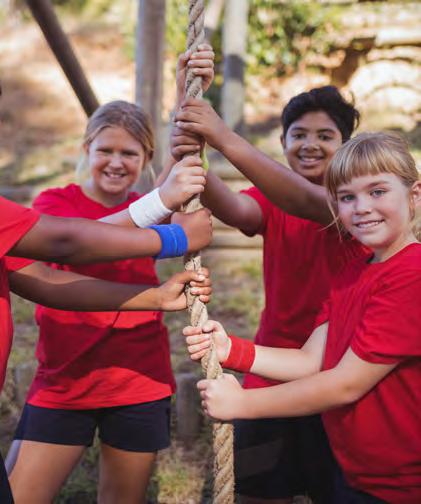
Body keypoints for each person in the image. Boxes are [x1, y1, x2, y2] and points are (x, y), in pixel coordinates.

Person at [0, 40, 212, 504]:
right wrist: (174, 238)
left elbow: (48, 280)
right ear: (86, 149)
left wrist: (156, 297)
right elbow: (67, 242)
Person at [5, 46, 215, 504]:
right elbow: (79, 243)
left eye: (130, 153)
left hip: (136, 376)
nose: (116, 162)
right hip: (66, 378)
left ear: (146, 158)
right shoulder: (56, 205)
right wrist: (158, 205)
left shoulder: (150, 204)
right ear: (87, 150)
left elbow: (181, 159)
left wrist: (183, 92)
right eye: (105, 150)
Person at [185, 132, 421, 504]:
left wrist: (244, 404)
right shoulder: (354, 271)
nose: (362, 207)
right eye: (347, 197)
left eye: (377, 191)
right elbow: (311, 361)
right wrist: (231, 350)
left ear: (414, 195)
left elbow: (346, 384)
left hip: (399, 482)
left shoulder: (412, 275)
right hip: (356, 468)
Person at [172, 86, 364, 502]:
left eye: (325, 136)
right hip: (271, 364)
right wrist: (191, 156)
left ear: (345, 146)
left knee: (335, 489)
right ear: (282, 141)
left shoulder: (354, 207)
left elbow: (306, 201)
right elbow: (234, 208)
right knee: (258, 487)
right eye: (299, 134)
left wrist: (223, 136)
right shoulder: (272, 199)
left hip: (339, 370)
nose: (310, 144)